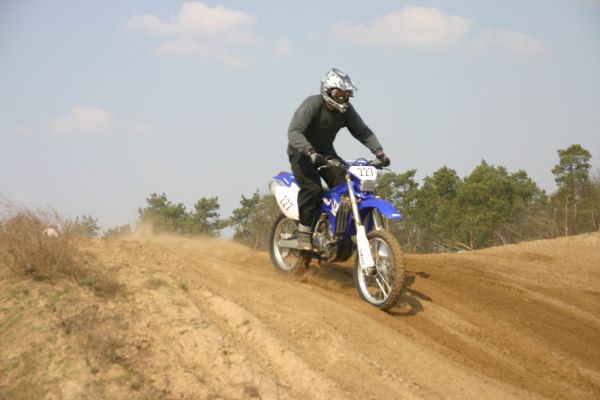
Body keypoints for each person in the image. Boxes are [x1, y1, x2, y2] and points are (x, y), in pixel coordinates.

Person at [287, 67, 391, 251]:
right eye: (339, 93)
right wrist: (310, 152)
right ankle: (304, 231)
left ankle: (338, 231)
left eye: (346, 94)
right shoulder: (312, 104)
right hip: (302, 152)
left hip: (326, 153)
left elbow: (362, 131)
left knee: (346, 185)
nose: (342, 98)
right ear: (327, 91)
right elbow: (294, 131)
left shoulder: (346, 111)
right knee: (312, 188)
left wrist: (379, 152)